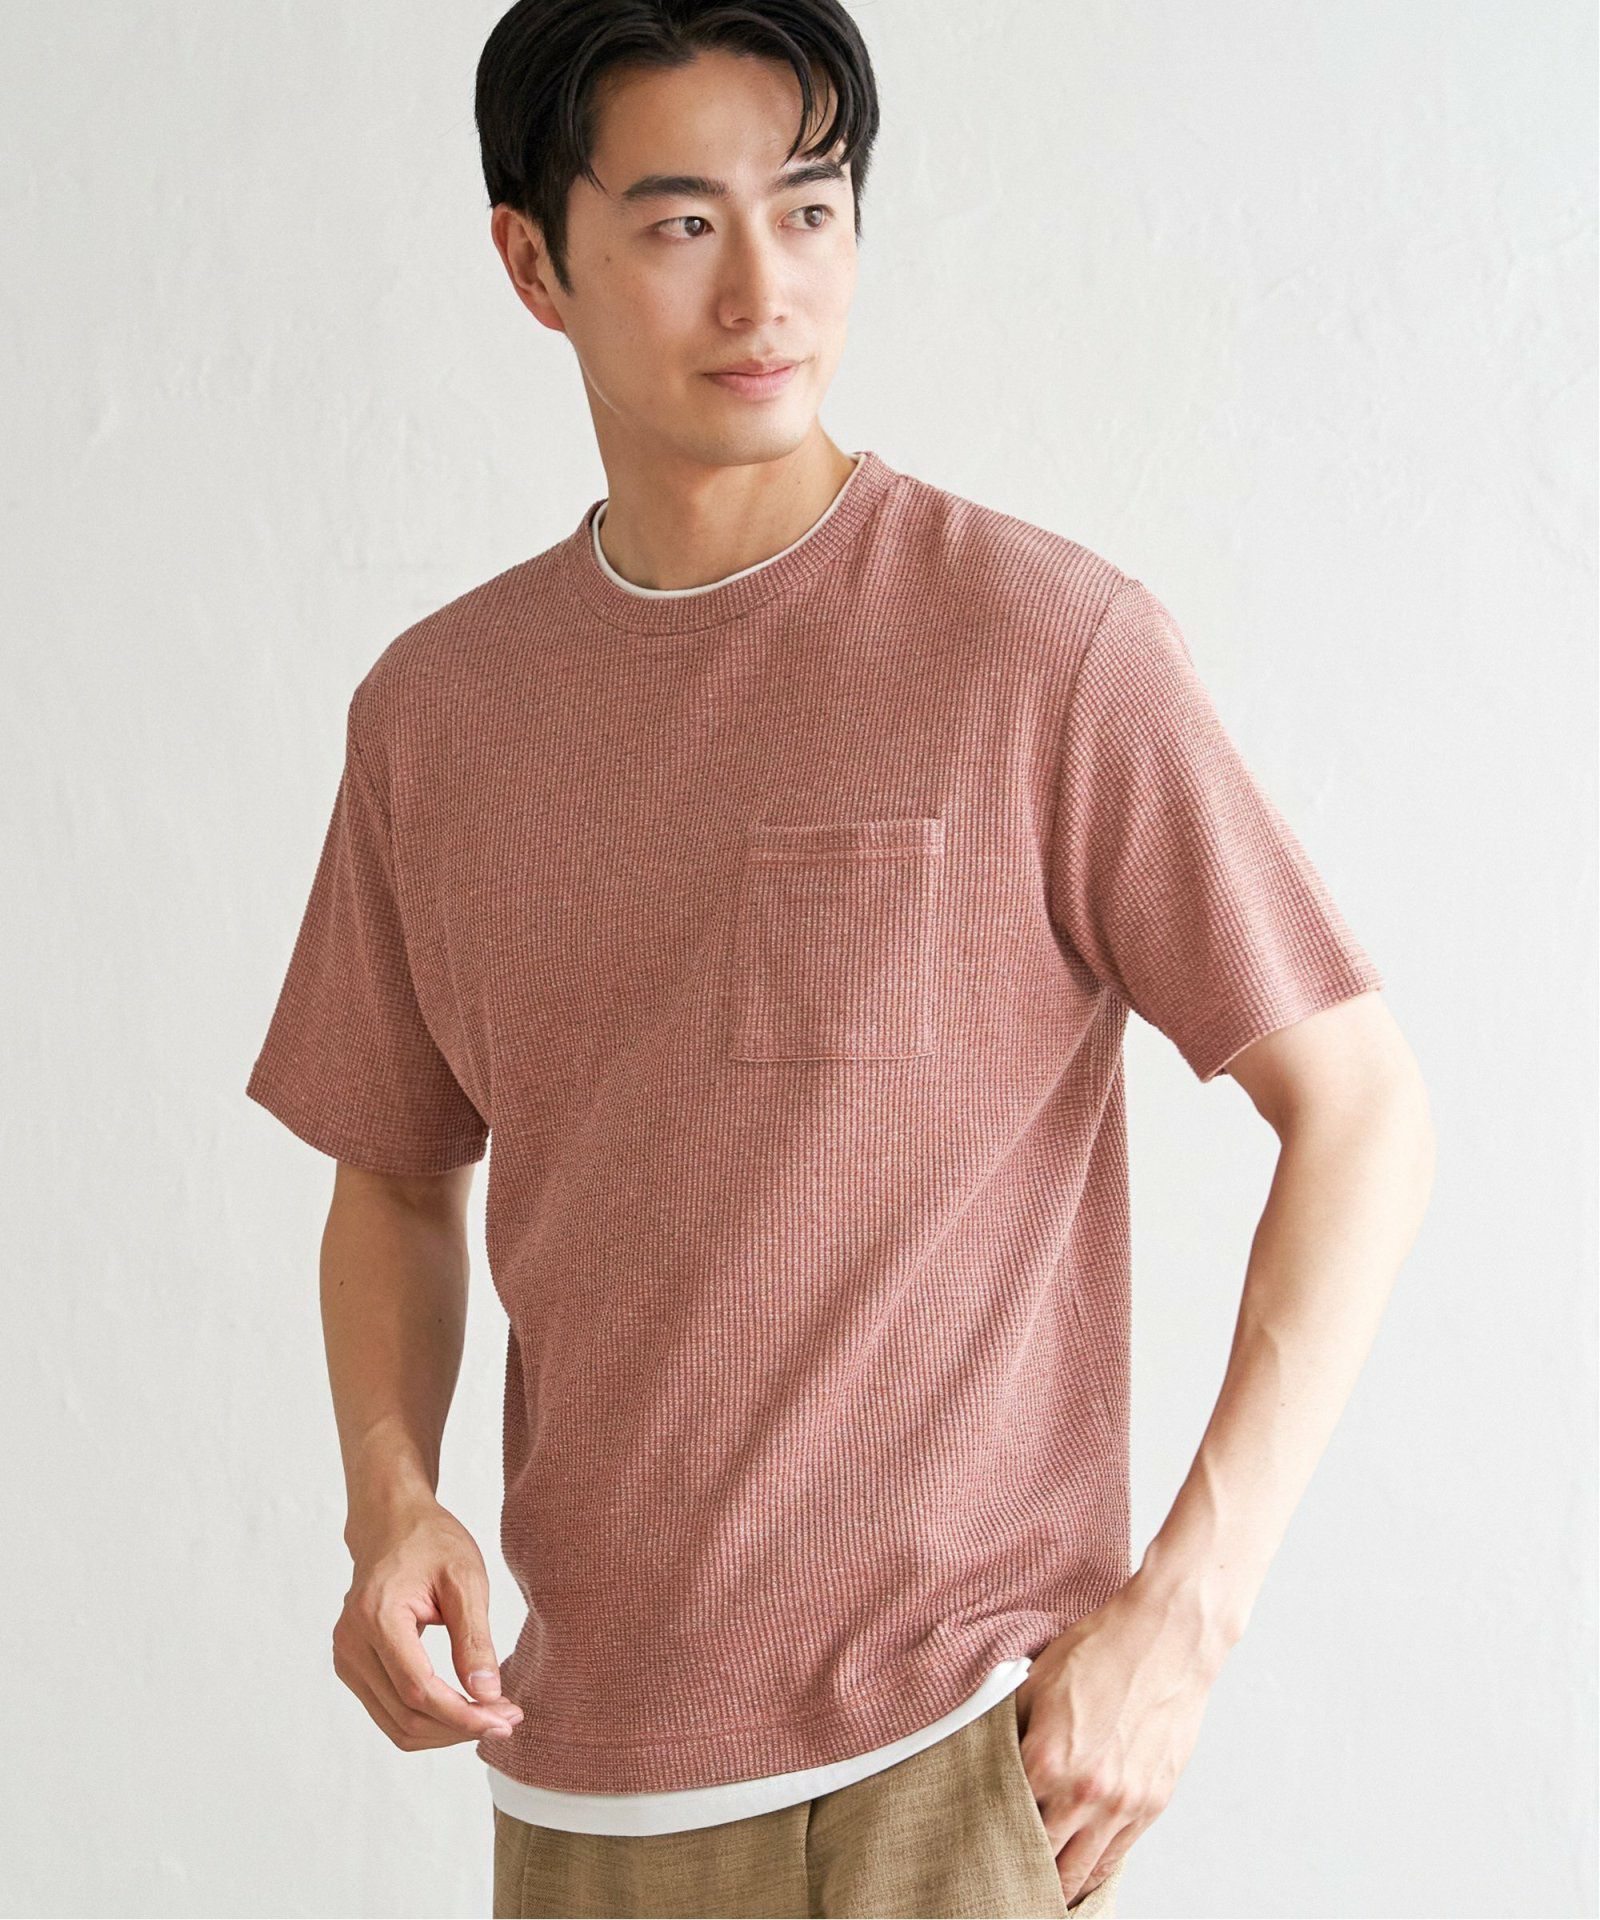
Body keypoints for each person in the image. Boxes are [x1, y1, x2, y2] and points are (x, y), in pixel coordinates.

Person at [243, 2, 1436, 1914]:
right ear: (533, 263)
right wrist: (390, 1501)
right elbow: (392, 1171)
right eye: (680, 223)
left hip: (942, 1770)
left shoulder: (1039, 646)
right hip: (580, 1792)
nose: (765, 292)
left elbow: (1361, 1106)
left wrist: (1186, 1615)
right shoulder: (437, 715)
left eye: (809, 210)